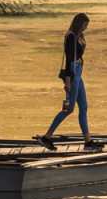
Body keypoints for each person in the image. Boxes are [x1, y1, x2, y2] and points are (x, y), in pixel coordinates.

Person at [39, 13, 90, 147]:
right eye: (85, 25)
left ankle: (88, 141)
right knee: (68, 109)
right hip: (72, 74)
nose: (86, 28)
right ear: (79, 23)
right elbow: (68, 59)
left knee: (84, 107)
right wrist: (67, 80)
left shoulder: (80, 36)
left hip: (79, 71)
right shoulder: (71, 36)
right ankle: (47, 136)